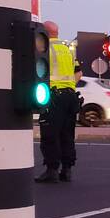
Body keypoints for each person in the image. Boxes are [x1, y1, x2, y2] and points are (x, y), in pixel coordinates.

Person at [36, 21, 81, 183]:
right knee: (67, 134)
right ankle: (67, 170)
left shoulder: (44, 47)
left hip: (53, 97)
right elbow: (79, 73)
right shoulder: (68, 48)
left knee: (50, 134)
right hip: (70, 96)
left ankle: (52, 170)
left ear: (45, 31)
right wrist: (68, 86)